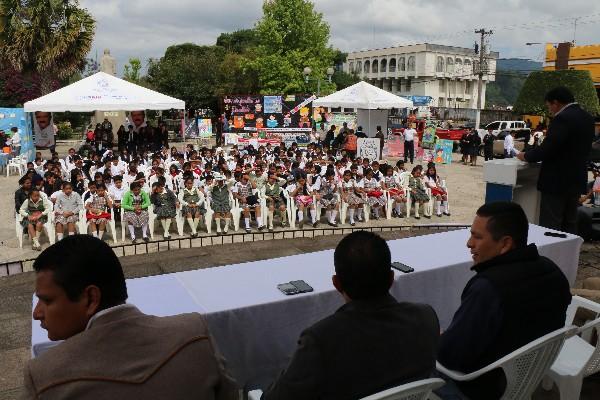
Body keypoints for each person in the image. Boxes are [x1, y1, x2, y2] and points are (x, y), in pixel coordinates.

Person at [25, 235, 237, 399]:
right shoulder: (194, 331)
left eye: (48, 301)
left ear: (91, 298)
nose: (37, 314)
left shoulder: (45, 376)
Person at [262, 231, 440, 400]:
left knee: (256, 384)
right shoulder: (426, 317)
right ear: (391, 278)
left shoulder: (321, 339)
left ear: (337, 284)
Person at [437, 202, 571, 400]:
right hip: (528, 376)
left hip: (482, 387)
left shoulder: (488, 289)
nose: (469, 243)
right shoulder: (552, 271)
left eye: (477, 237)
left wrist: (435, 338)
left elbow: (451, 358)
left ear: (505, 244)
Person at [517, 87, 595, 234]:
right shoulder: (587, 118)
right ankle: (569, 256)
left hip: (557, 181)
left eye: (549, 106)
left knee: (551, 223)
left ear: (555, 103)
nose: (550, 110)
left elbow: (548, 148)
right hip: (576, 179)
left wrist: (525, 156)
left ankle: (551, 256)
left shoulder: (562, 118)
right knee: (570, 222)